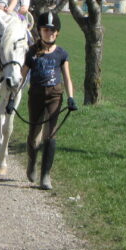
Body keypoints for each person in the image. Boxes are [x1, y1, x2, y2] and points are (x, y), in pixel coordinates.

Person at [19, 12, 78, 190]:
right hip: (36, 95)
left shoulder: (61, 54)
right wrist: (12, 96)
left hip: (55, 96)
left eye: (52, 31)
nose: (49, 33)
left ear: (57, 32)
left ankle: (45, 175)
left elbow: (67, 78)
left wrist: (71, 97)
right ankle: (32, 160)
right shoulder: (32, 52)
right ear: (39, 31)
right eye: (46, 30)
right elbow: (22, 76)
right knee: (34, 133)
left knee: (50, 136)